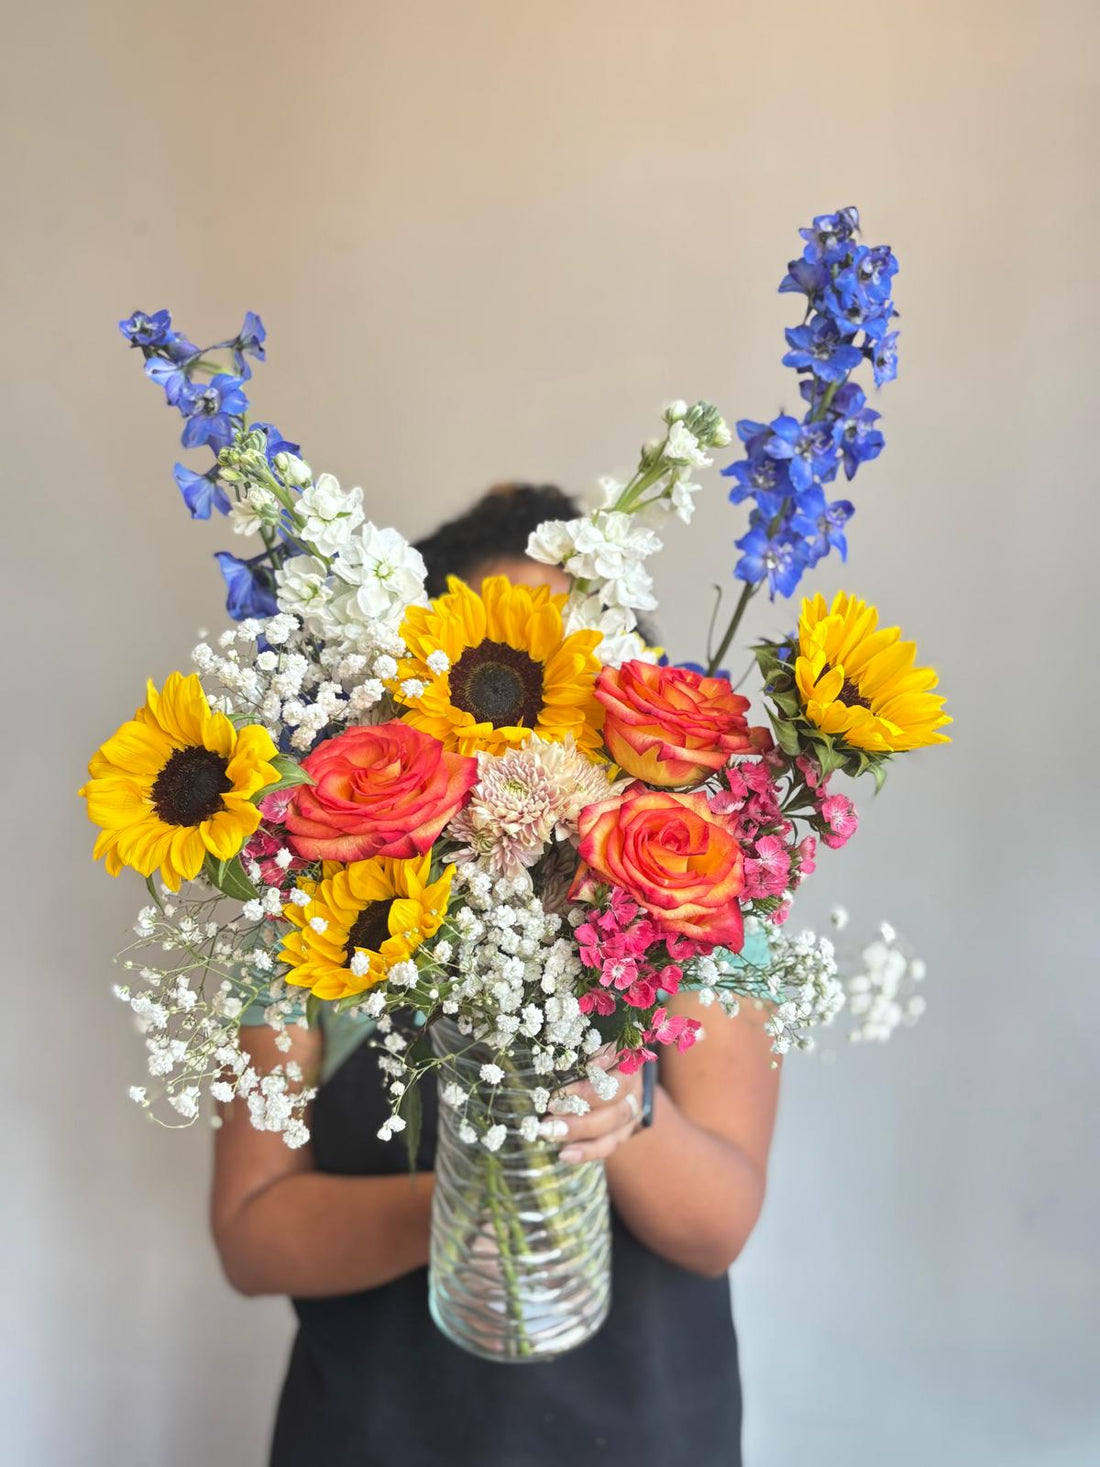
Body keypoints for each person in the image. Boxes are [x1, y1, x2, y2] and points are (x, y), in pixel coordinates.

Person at [211, 484, 781, 1467]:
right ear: (409, 702)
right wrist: (470, 1198)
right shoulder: (319, 908)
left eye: (573, 677)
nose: (534, 726)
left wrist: (625, 1110)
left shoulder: (693, 888)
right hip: (373, 1433)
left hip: (644, 1431)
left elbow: (716, 1227)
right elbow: (253, 1237)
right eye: (502, 684)